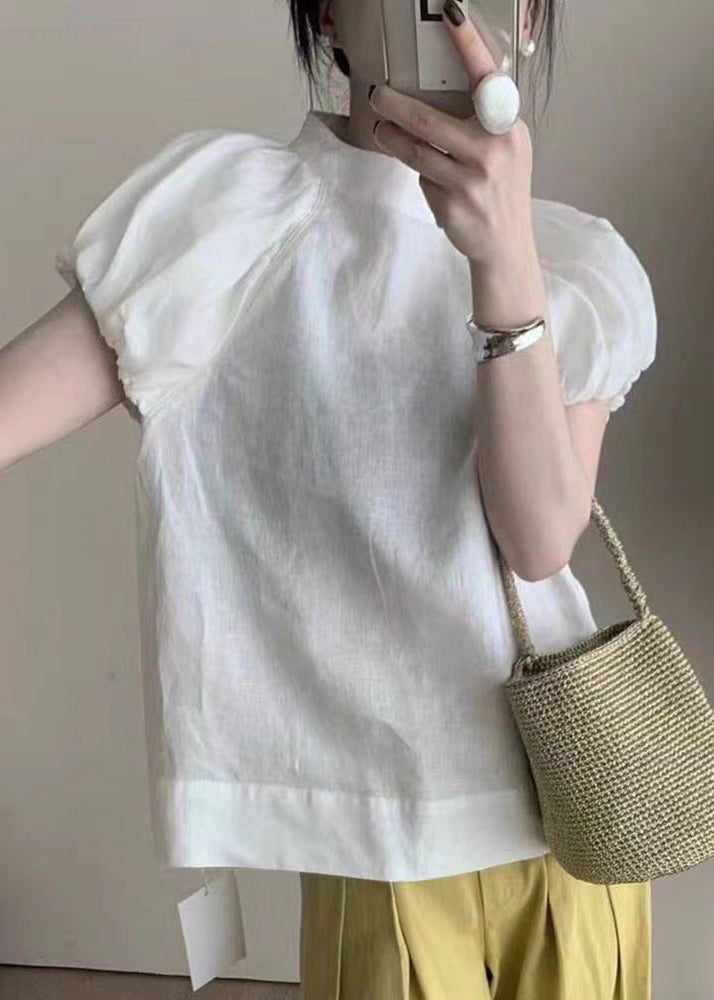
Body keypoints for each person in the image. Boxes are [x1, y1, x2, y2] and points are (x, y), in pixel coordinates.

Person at [1, 0, 656, 996]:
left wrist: (505, 266)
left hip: (573, 827)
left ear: (527, 19)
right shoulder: (231, 225)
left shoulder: (576, 264)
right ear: (327, 19)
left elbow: (539, 541)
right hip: (380, 851)